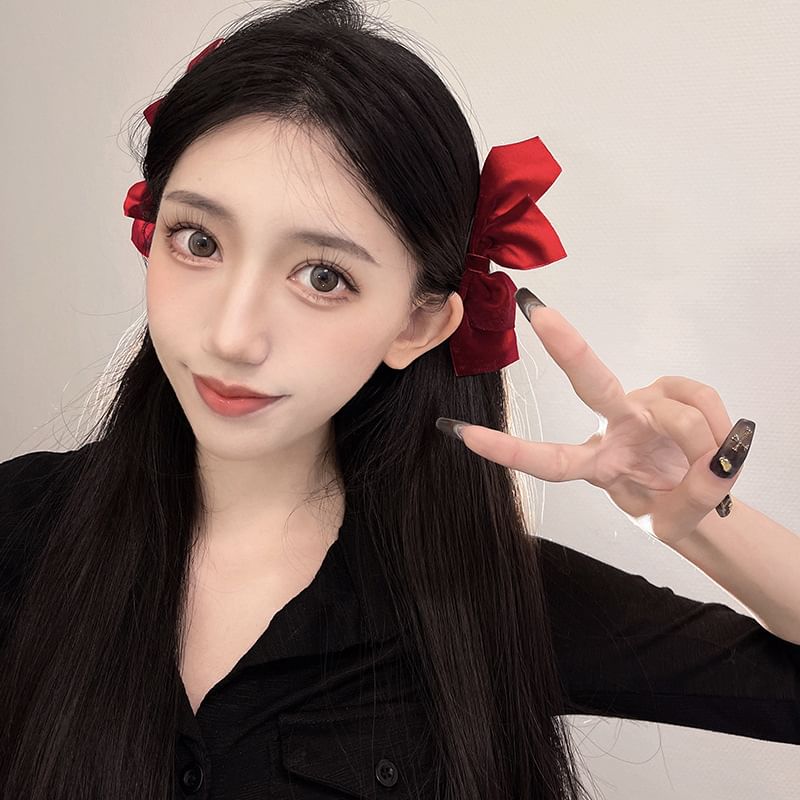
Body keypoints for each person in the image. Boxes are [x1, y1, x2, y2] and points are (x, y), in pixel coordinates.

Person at [0, 1, 797, 798]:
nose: (233, 335)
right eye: (199, 241)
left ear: (417, 324)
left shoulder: (484, 598)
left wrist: (695, 520)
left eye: (323, 277)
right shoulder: (21, 522)